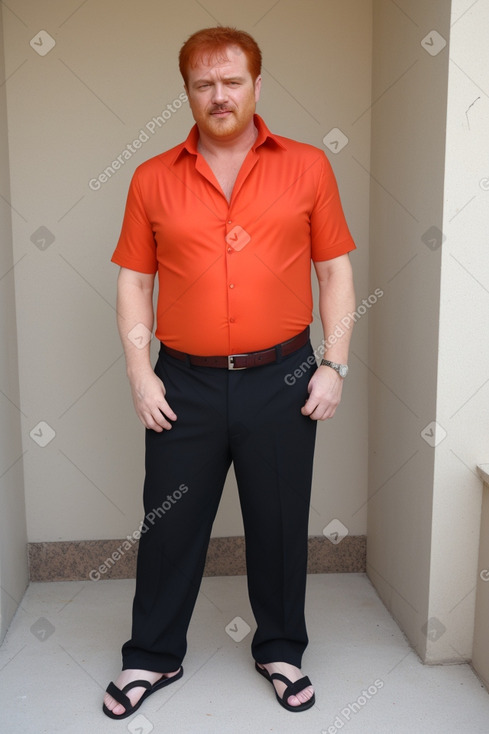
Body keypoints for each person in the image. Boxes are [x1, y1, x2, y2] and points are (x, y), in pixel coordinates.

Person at [103, 26, 356, 720]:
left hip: (283, 378)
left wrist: (333, 364)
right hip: (181, 379)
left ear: (256, 84)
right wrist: (139, 374)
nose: (219, 95)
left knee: (278, 521)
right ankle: (151, 656)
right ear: (185, 90)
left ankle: (279, 649)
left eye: (232, 81)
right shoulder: (152, 176)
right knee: (170, 523)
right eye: (203, 83)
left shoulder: (306, 166)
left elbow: (333, 272)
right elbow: (133, 284)